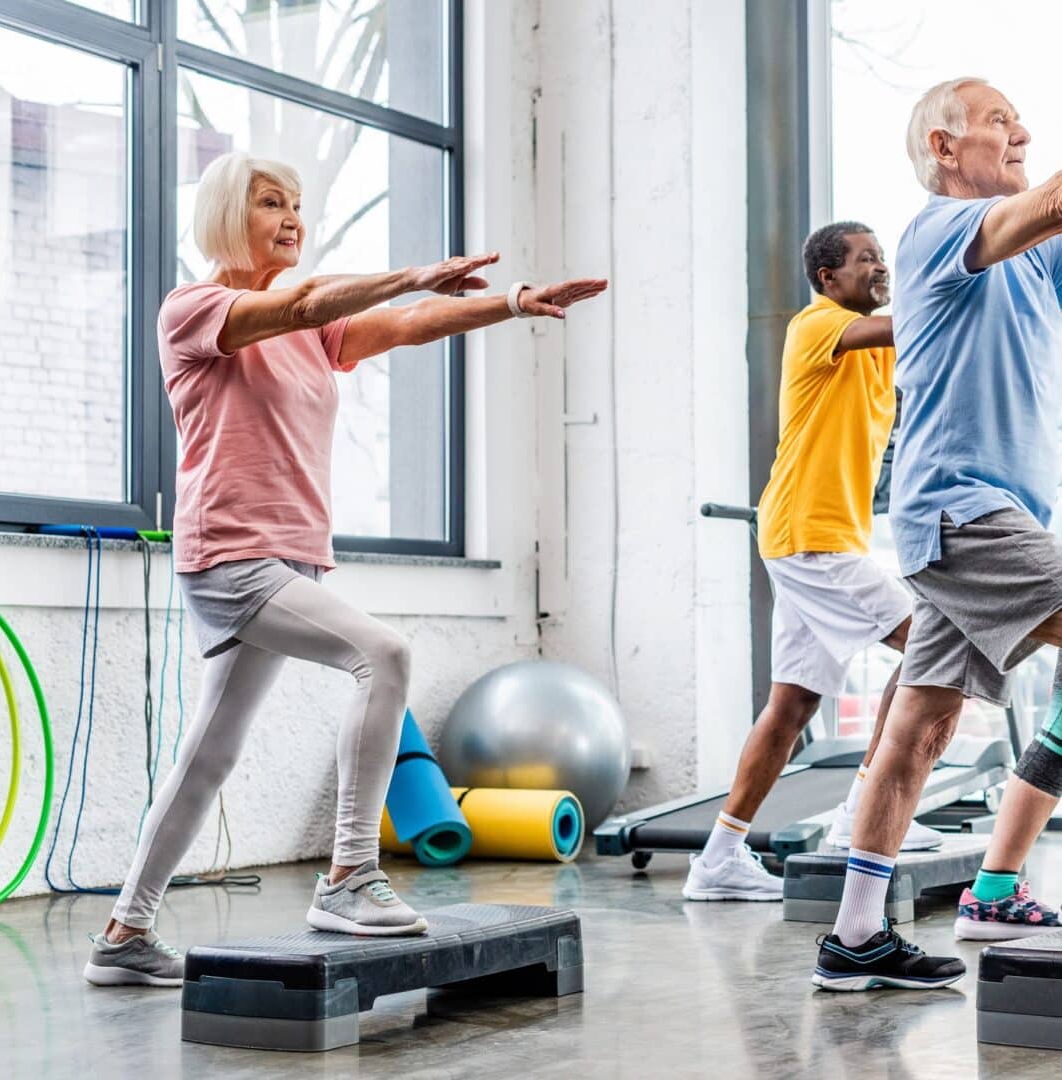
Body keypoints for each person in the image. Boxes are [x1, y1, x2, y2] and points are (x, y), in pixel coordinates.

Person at [82, 151, 607, 987]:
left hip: (289, 558)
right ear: (225, 212)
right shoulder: (196, 309)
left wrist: (508, 304)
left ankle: (123, 932)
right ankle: (349, 875)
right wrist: (411, 272)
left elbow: (399, 326)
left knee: (208, 755)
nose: (291, 217)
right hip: (232, 555)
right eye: (269, 203)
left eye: (296, 204)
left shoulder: (309, 331)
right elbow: (307, 300)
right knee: (384, 654)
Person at [814, 77, 1062, 992]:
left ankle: (853, 938)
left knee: (919, 728)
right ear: (944, 148)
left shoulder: (1033, 256)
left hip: (983, 519)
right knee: (920, 726)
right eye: (1002, 120)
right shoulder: (935, 232)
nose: (1023, 131)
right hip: (962, 512)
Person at [682, 221, 941, 905]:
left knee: (791, 705)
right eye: (865, 261)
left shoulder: (878, 350)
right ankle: (860, 814)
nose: (879, 269)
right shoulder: (816, 324)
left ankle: (718, 858)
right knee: (931, 650)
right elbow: (896, 321)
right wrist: (920, 279)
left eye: (883, 258)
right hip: (810, 534)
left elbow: (922, 351)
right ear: (827, 277)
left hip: (819, 537)